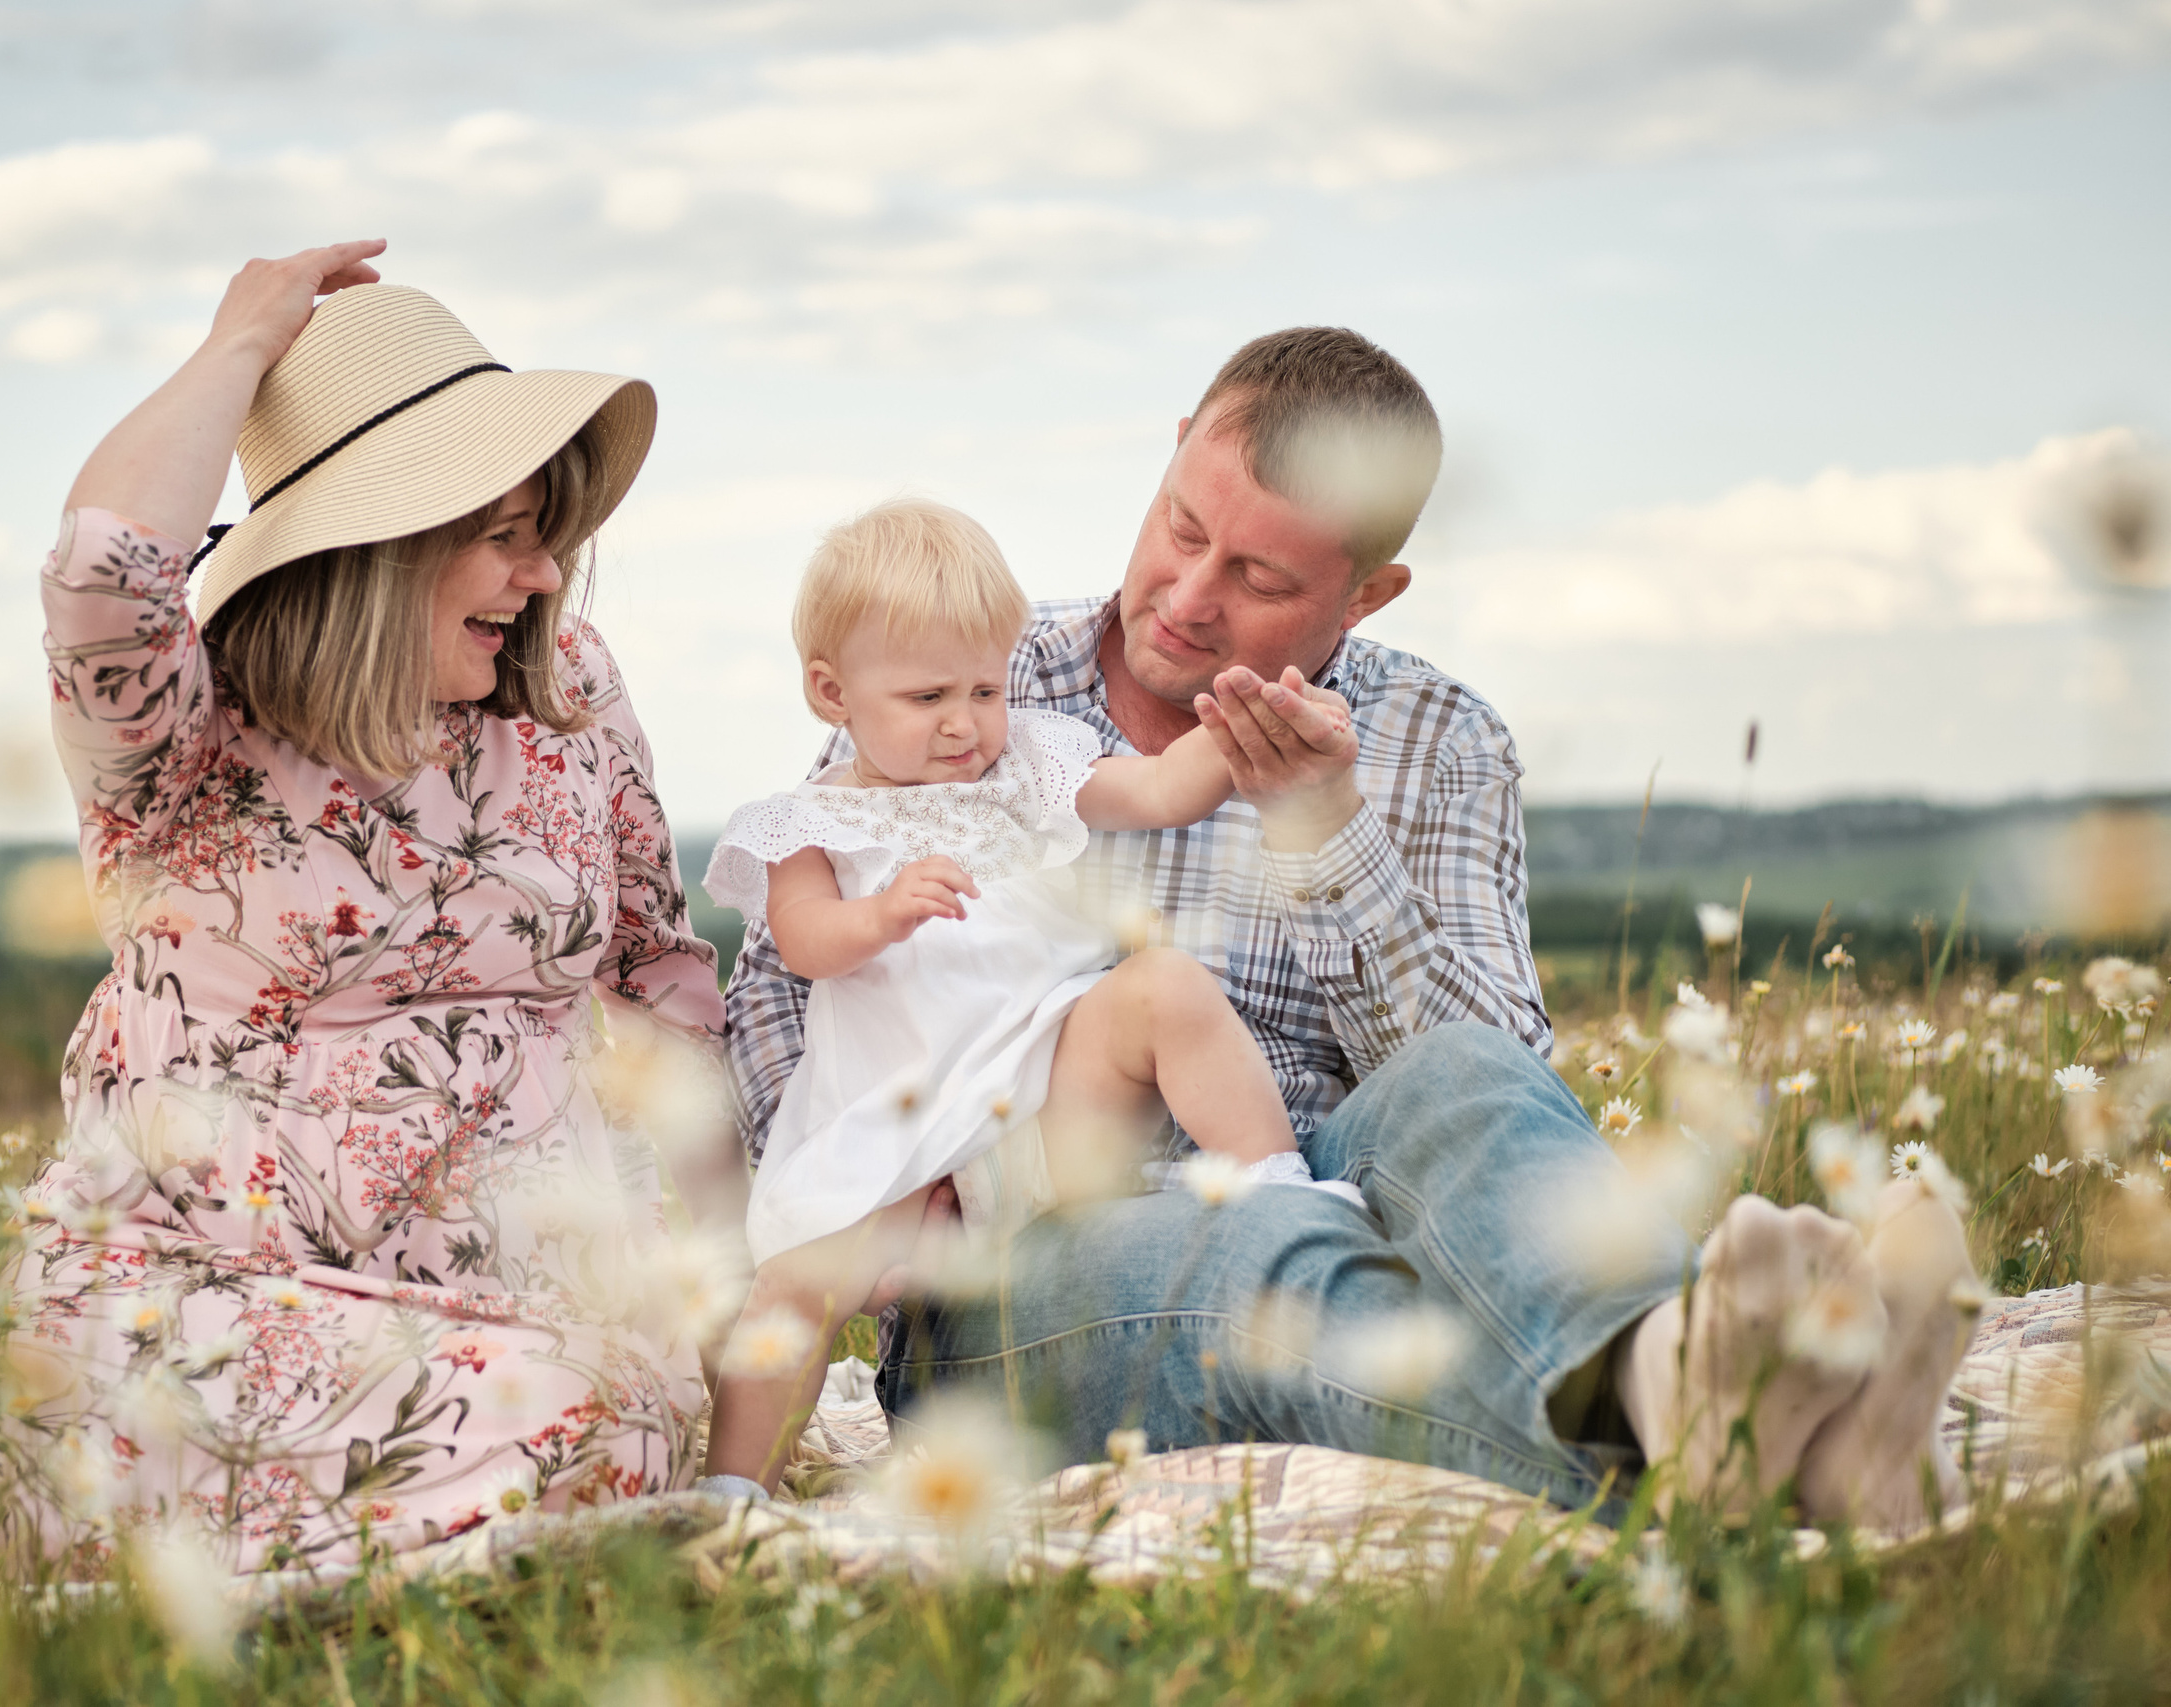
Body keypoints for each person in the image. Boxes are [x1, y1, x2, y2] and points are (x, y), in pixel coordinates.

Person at [0, 242, 740, 1599]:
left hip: (518, 1320)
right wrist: (243, 346)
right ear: (377, 546)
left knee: (598, 1418)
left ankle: (159, 1571)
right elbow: (100, 573)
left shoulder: (569, 695)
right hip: (177, 1293)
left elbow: (664, 979)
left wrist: (725, 1281)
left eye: (548, 530)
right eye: (503, 534)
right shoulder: (181, 737)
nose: (547, 574)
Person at [724, 328, 1980, 1528]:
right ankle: (1739, 1414)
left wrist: (1327, 833)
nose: (1188, 600)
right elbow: (790, 987)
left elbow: (1499, 1093)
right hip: (1014, 1271)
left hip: (1324, 1180)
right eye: (1182, 527)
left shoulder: (1438, 738)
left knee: (1462, 1083)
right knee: (1260, 1248)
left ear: (1368, 594)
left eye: (1260, 579)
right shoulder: (963, 668)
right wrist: (898, 1184)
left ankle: (1680, 1376)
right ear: (1168, 454)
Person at [695, 498, 1356, 1491]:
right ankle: (732, 1488)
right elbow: (805, 943)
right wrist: (881, 915)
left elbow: (1163, 790)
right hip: (901, 1124)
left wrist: (1251, 730)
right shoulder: (807, 823)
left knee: (1165, 987)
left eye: (986, 689)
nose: (965, 724)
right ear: (832, 693)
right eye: (926, 698)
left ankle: (1279, 1192)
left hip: (1047, 1089)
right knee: (793, 1290)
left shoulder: (1029, 767)